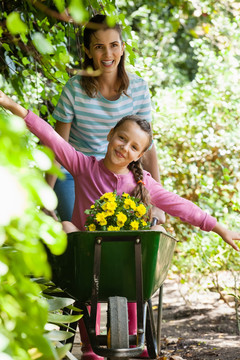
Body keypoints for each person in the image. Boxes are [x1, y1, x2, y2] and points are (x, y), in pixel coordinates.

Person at [1, 91, 240, 360]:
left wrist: (219, 228)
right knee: (67, 226)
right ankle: (90, 346)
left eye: (134, 147)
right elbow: (51, 137)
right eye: (122, 138)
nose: (125, 147)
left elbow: (180, 205)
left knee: (156, 232)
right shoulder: (84, 166)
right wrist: (11, 104)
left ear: (139, 155)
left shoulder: (142, 184)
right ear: (110, 134)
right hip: (88, 258)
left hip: (129, 263)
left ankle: (134, 335)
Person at [46, 13, 165, 224]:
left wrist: (157, 204)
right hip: (75, 174)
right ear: (88, 51)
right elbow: (57, 146)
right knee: (84, 229)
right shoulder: (74, 89)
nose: (108, 53)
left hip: (119, 173)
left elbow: (147, 148)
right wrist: (45, 198)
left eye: (113, 45)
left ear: (122, 47)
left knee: (123, 233)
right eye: (99, 47)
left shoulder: (138, 89)